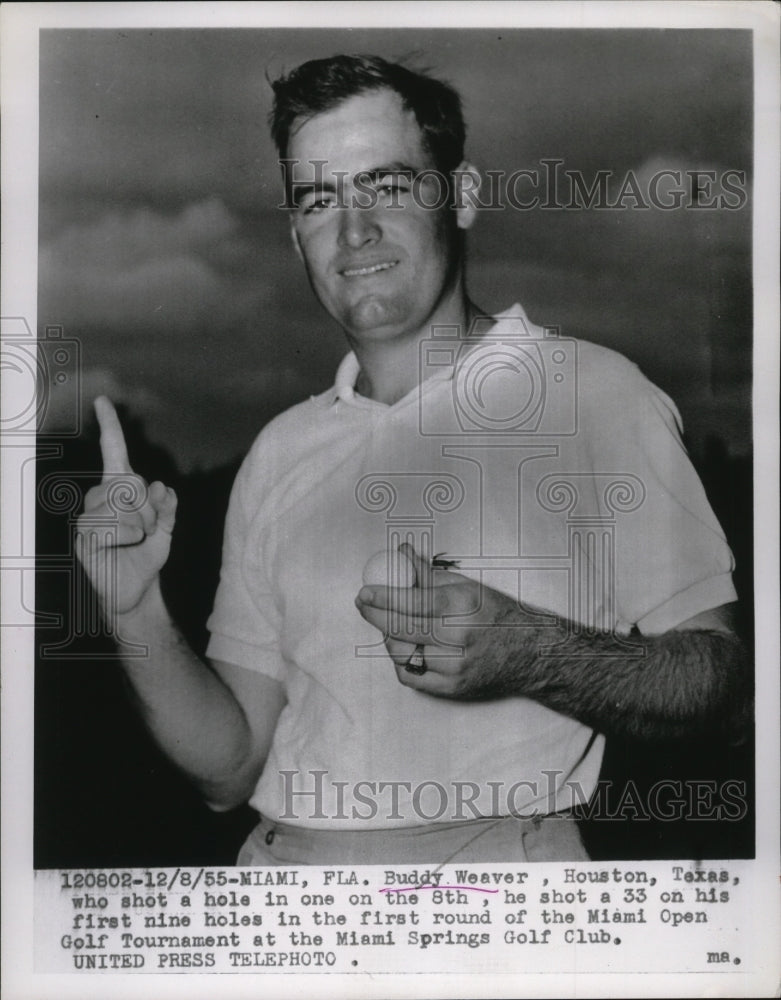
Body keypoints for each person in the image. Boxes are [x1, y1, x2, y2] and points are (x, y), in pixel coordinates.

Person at [76, 55, 747, 866]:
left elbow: (719, 685)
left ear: (459, 198)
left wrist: (531, 652)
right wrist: (134, 610)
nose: (354, 232)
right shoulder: (280, 450)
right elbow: (229, 767)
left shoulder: (595, 395)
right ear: (296, 238)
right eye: (321, 200)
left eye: (387, 187)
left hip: (499, 909)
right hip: (282, 898)